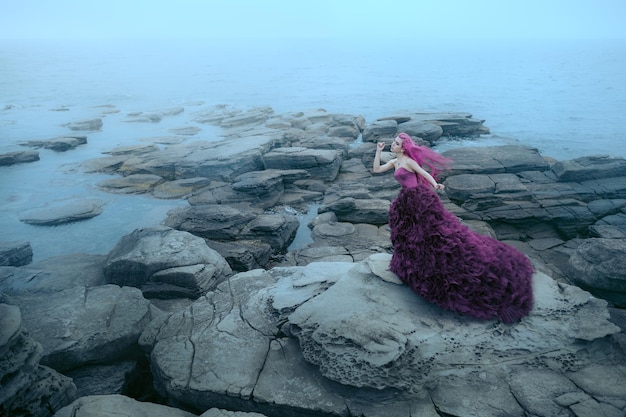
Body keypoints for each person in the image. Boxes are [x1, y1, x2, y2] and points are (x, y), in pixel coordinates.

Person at [373, 133, 534, 323]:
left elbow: (424, 174)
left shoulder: (408, 161)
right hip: (405, 202)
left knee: (433, 235)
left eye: (396, 144)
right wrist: (378, 151)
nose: (393, 145)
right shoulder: (395, 162)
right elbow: (376, 169)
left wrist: (436, 184)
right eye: (393, 143)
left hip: (419, 200)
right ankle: (411, 263)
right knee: (409, 235)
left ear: (403, 148)